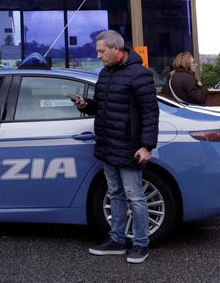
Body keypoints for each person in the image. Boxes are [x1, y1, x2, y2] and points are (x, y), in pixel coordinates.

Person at [72, 30, 158, 264]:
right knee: (116, 194)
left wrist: (147, 146)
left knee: (136, 197)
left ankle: (141, 244)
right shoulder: (104, 73)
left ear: (116, 49)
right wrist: (85, 105)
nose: (98, 55)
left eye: (101, 51)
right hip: (108, 145)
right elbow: (101, 106)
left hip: (130, 147)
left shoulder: (140, 74)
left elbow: (150, 112)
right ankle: (117, 241)